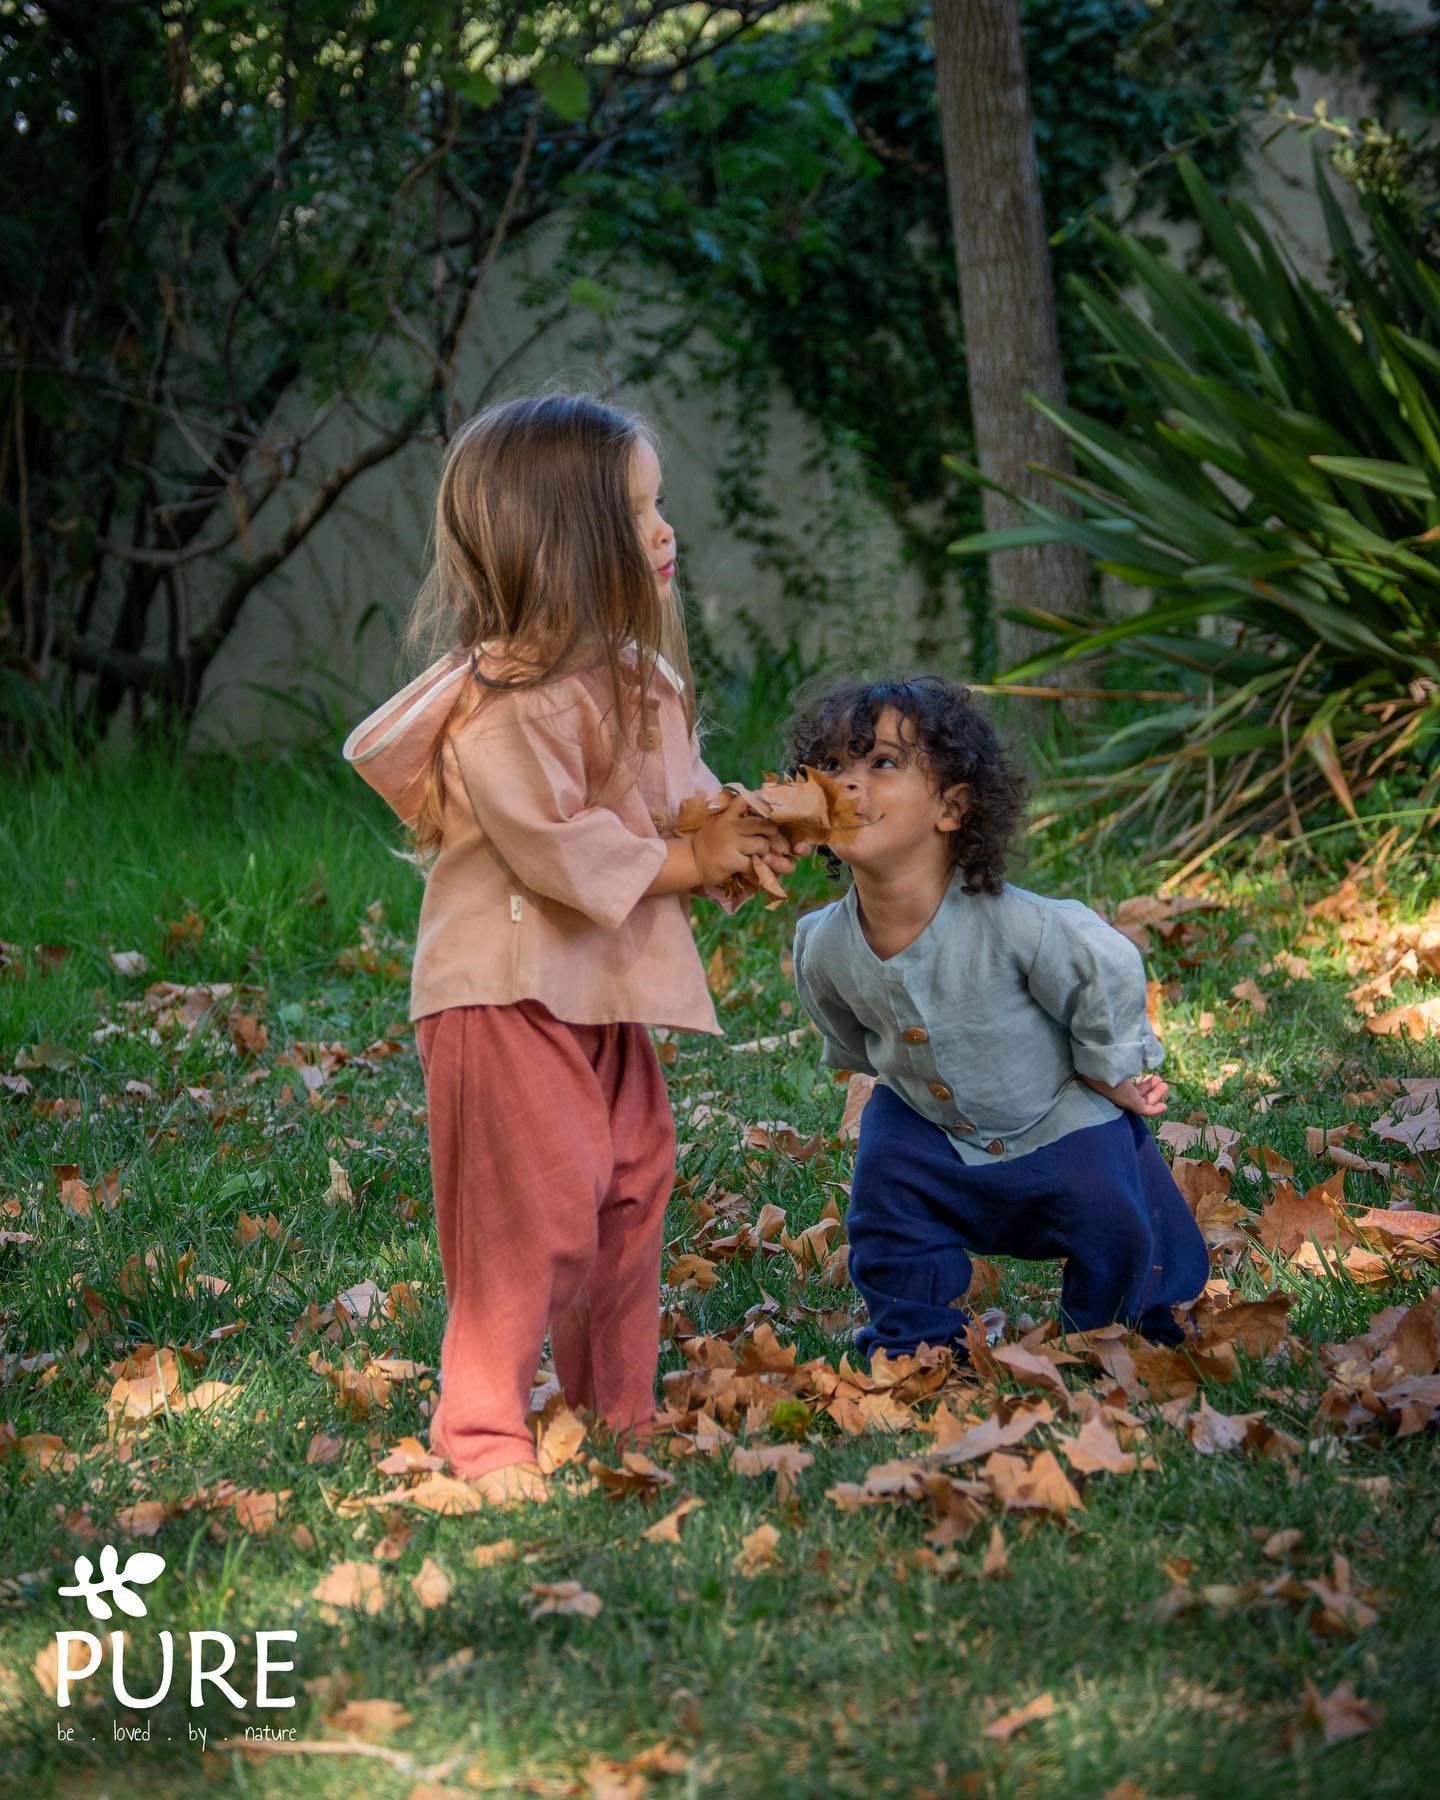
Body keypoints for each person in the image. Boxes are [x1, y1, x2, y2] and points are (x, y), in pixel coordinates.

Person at [343, 393, 795, 1503]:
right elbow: (558, 847)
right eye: (640, 511)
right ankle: (482, 1427)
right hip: (499, 993)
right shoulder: (503, 703)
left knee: (631, 1187)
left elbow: (679, 806)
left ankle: (615, 1412)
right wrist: (690, 862)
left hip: (596, 995)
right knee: (536, 1206)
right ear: (569, 541)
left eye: (660, 506)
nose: (664, 532)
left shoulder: (643, 682)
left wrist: (741, 833)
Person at [784, 676, 1209, 1359]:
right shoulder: (822, 943)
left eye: (881, 763)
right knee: (885, 1200)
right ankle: (914, 1339)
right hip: (926, 1119)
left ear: (951, 807)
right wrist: (883, 1073)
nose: (847, 783)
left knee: (1111, 1214)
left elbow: (1103, 971)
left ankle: (1116, 1332)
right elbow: (847, 1027)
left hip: (1053, 1110)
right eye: (831, 765)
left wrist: (1109, 1071)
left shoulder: (1022, 925)